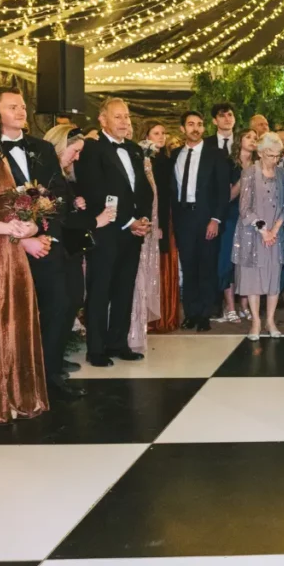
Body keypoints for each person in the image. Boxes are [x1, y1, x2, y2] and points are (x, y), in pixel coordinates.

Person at [0, 87, 83, 399]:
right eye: (12, 107)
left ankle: (49, 375)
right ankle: (14, 380)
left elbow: (59, 195)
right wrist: (21, 237)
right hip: (5, 247)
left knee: (62, 303)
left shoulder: (41, 148)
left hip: (45, 242)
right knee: (11, 316)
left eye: (22, 106)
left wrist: (43, 232)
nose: (21, 111)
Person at [0, 102, 50, 424]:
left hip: (11, 254)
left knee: (16, 322)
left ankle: (15, 395)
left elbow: (15, 200)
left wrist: (29, 224)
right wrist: (7, 229)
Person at [72, 97, 152, 367]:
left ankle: (118, 343)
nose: (124, 122)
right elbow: (94, 192)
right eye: (118, 117)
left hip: (132, 232)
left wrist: (143, 219)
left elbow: (143, 189)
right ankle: (96, 349)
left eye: (127, 117)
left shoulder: (134, 150)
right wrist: (129, 221)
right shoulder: (92, 150)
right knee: (100, 290)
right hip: (106, 231)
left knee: (124, 289)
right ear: (103, 120)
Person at [45, 125, 113, 375]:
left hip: (70, 251)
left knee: (72, 301)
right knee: (62, 304)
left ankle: (55, 358)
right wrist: (96, 221)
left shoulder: (62, 176)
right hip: (58, 251)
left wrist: (76, 202)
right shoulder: (50, 177)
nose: (77, 157)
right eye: (75, 151)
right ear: (60, 146)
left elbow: (66, 209)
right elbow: (60, 218)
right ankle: (50, 365)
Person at [171, 111, 230, 332]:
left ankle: (205, 314)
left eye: (199, 124)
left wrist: (215, 219)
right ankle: (191, 313)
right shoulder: (175, 154)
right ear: (182, 128)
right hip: (183, 217)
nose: (195, 128)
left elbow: (223, 191)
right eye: (190, 124)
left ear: (204, 128)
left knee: (207, 266)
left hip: (207, 217)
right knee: (188, 266)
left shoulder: (215, 154)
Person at [233, 133, 284, 340]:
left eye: (277, 155)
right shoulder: (249, 173)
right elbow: (244, 208)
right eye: (270, 155)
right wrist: (263, 230)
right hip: (253, 233)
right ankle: (256, 321)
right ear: (260, 152)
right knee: (253, 279)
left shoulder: (283, 174)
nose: (274, 160)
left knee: (273, 277)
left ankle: (271, 320)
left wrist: (275, 229)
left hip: (275, 234)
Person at [214, 128, 256, 324]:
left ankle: (244, 306)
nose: (252, 140)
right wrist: (244, 178)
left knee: (247, 262)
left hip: (252, 220)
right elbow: (227, 196)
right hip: (231, 217)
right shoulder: (229, 164)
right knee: (228, 262)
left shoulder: (258, 165)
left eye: (255, 138)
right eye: (248, 137)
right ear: (239, 140)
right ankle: (229, 307)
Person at [144, 121, 181, 334]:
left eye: (163, 133)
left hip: (165, 219)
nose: (161, 137)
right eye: (156, 133)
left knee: (164, 265)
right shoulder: (141, 160)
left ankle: (164, 317)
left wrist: (163, 226)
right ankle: (146, 318)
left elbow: (168, 195)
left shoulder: (167, 161)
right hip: (148, 219)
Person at [128, 135, 163, 352]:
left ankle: (135, 332)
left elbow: (149, 197)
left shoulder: (145, 165)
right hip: (123, 228)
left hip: (141, 227)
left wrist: (144, 223)